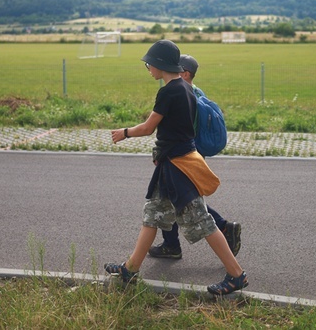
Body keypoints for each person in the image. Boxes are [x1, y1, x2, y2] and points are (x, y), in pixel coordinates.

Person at [106, 40, 249, 295]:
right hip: (173, 161)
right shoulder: (187, 88)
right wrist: (161, 152)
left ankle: (236, 275)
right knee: (153, 215)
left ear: (159, 64)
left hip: (178, 167)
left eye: (149, 64)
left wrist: (125, 132)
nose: (148, 68)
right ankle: (130, 270)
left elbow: (150, 127)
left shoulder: (169, 91)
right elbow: (180, 130)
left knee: (202, 221)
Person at [148, 53, 242, 260]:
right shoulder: (197, 92)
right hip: (191, 154)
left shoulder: (182, 93)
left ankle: (223, 229)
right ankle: (171, 244)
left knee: (188, 201)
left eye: (176, 68)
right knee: (175, 198)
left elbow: (173, 130)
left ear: (186, 73)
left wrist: (161, 153)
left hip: (182, 156)